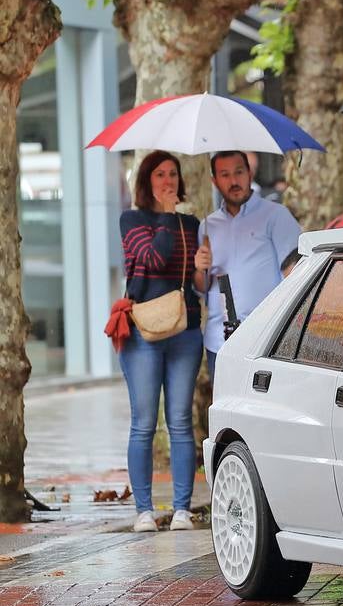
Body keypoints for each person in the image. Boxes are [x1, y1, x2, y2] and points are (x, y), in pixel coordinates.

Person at [117, 151, 203, 533]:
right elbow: (153, 259)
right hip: (143, 333)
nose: (168, 180)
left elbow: (197, 281)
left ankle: (182, 509)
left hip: (185, 331)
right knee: (144, 422)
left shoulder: (192, 224)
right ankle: (144, 511)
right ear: (147, 182)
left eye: (173, 174)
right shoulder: (132, 219)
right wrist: (168, 217)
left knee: (182, 421)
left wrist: (202, 268)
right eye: (159, 175)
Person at [196, 150, 302, 378]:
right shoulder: (207, 227)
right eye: (225, 175)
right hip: (219, 342)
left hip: (266, 340)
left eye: (239, 172)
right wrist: (199, 267)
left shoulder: (276, 215)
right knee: (225, 411)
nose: (233, 181)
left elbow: (296, 275)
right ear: (214, 181)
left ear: (249, 173)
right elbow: (202, 287)